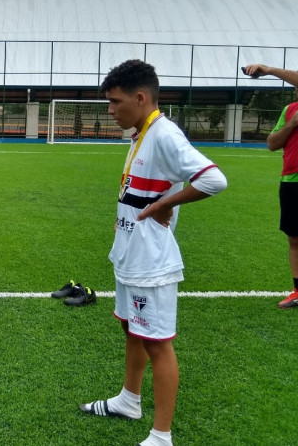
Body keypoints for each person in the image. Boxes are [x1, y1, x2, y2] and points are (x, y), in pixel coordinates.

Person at [80, 59, 227, 446]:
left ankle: (162, 436)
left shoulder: (164, 134)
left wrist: (165, 204)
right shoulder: (140, 134)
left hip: (151, 263)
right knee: (132, 330)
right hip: (130, 253)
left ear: (141, 98)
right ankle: (129, 400)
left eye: (115, 102)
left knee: (157, 344)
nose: (110, 110)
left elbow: (214, 179)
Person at [243, 63, 298, 308]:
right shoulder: (289, 110)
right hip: (290, 181)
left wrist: (269, 70)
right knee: (294, 239)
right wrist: (291, 124)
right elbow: (272, 144)